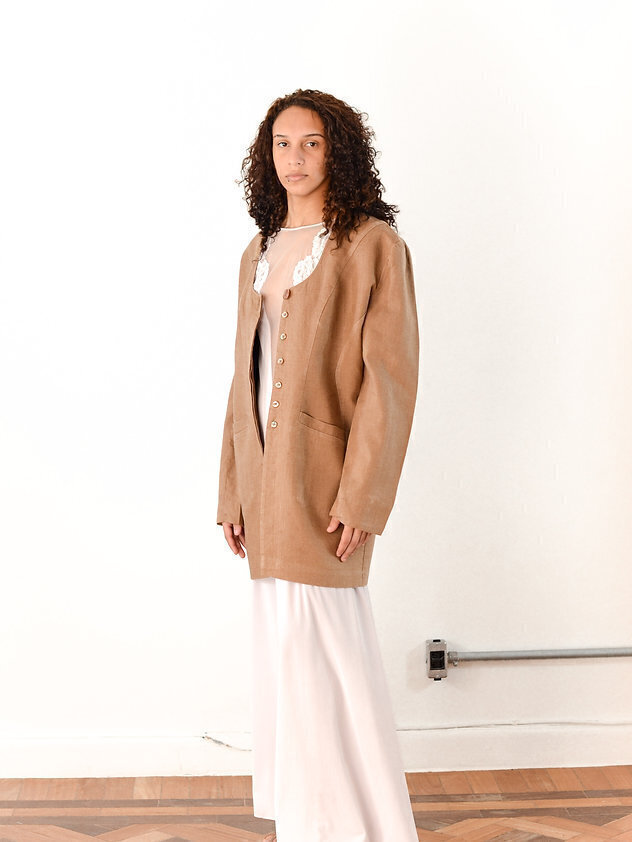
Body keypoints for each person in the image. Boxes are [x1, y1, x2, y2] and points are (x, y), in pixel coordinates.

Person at [217, 88, 420, 842]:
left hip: (325, 478)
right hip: (263, 480)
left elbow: (390, 383)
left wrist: (363, 497)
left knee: (329, 648)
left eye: (311, 143)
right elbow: (241, 382)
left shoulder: (371, 245)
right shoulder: (258, 252)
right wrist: (231, 489)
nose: (295, 158)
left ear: (338, 151)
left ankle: (366, 824)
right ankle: (308, 822)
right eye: (282, 144)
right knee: (285, 651)